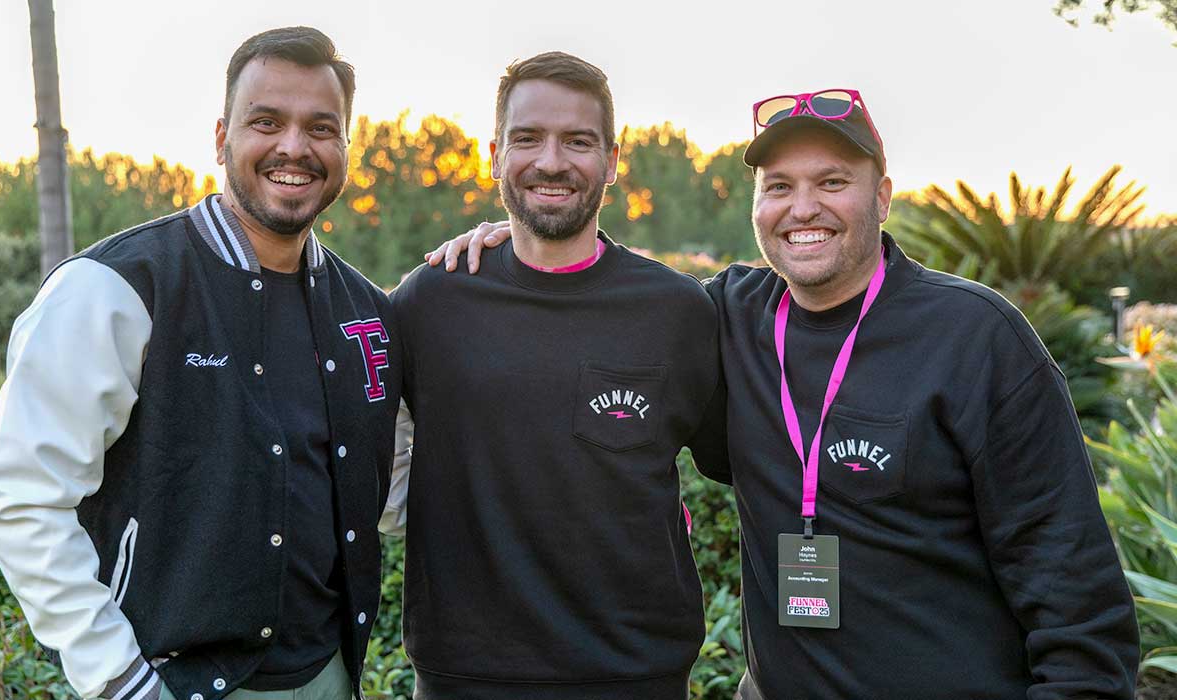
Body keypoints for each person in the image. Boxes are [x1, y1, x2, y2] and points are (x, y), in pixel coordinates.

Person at [426, 89, 1140, 697]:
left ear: (883, 196)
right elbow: (600, 295)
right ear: (757, 205)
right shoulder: (724, 318)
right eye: (778, 186)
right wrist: (517, 243)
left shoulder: (977, 339)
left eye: (833, 182)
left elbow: (1079, 607)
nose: (804, 208)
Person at [0, 27, 401, 700]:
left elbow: (399, 486)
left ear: (345, 147)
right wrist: (116, 678)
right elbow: (19, 496)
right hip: (165, 683)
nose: (294, 146)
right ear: (220, 137)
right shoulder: (118, 287)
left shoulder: (368, 312)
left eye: (322, 127)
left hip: (330, 675)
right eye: (266, 121)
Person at [384, 51, 723, 699]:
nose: (551, 161)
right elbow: (370, 452)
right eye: (527, 138)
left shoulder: (677, 310)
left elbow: (745, 461)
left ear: (613, 161)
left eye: (578, 141)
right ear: (493, 156)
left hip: (636, 676)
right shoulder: (431, 300)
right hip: (465, 677)